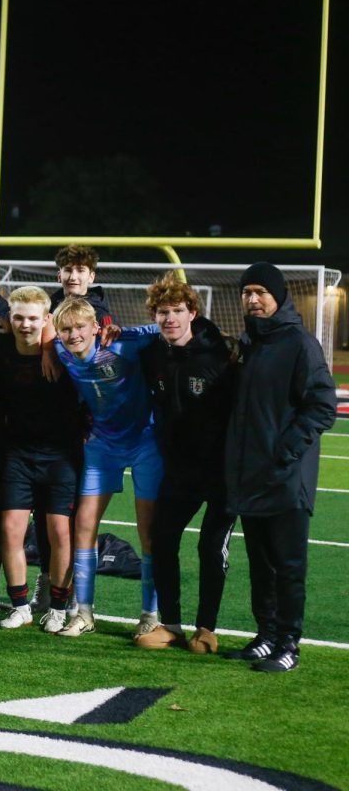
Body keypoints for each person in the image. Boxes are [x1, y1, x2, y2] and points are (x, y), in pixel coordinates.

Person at [224, 262, 336, 672]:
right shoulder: (250, 341)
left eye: (260, 292)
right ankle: (266, 635)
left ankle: (289, 644)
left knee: (288, 566)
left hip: (286, 477)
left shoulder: (299, 342)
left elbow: (323, 405)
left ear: (279, 296)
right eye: (247, 292)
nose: (252, 299)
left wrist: (285, 451)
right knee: (260, 563)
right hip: (252, 475)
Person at [132, 274, 238, 651]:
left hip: (223, 473)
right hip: (179, 470)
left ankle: (206, 628)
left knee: (210, 546)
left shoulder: (223, 356)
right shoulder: (153, 355)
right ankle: (172, 624)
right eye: (163, 312)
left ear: (192, 312)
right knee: (162, 539)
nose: (170, 319)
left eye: (177, 311)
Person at [53, 298, 162, 638]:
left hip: (145, 443)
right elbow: (39, 331)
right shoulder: (58, 350)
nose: (73, 335)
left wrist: (127, 330)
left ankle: (150, 614)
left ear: (95, 328)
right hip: (102, 447)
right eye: (66, 329)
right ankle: (84, 612)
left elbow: (163, 328)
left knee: (149, 531)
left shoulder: (121, 344)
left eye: (80, 328)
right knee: (83, 525)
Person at [0, 287, 82, 633]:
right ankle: (20, 606)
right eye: (19, 317)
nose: (25, 324)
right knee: (11, 530)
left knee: (60, 531)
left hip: (61, 456)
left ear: (46, 320)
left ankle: (58, 607)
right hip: (18, 454)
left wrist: (50, 345)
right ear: (8, 319)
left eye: (33, 318)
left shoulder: (61, 351)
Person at [49, 244, 116, 326]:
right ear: (59, 276)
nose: (73, 277)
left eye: (80, 270)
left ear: (91, 277)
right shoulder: (47, 308)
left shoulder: (101, 315)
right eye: (68, 270)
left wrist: (112, 326)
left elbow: (110, 324)